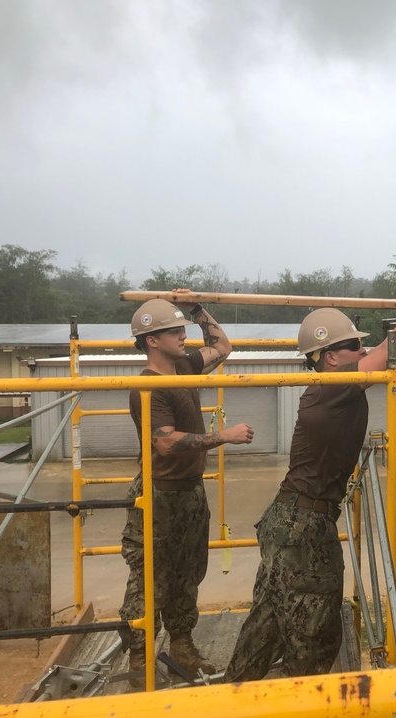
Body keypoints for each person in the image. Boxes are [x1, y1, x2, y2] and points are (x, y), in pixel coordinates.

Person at [224, 274, 396, 681]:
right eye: (352, 345)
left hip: (294, 520)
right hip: (303, 528)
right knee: (316, 641)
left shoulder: (331, 386)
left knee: (266, 627)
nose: (361, 349)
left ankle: (227, 699)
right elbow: (392, 347)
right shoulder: (332, 385)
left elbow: (389, 345)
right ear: (330, 356)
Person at [120, 292, 255, 686]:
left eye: (182, 328)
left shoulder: (184, 369)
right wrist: (222, 436)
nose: (183, 336)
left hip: (190, 492)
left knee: (187, 574)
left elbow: (222, 347)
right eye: (173, 331)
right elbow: (164, 441)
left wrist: (196, 308)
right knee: (150, 578)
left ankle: (182, 647)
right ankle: (139, 659)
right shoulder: (147, 388)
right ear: (151, 341)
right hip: (158, 495)